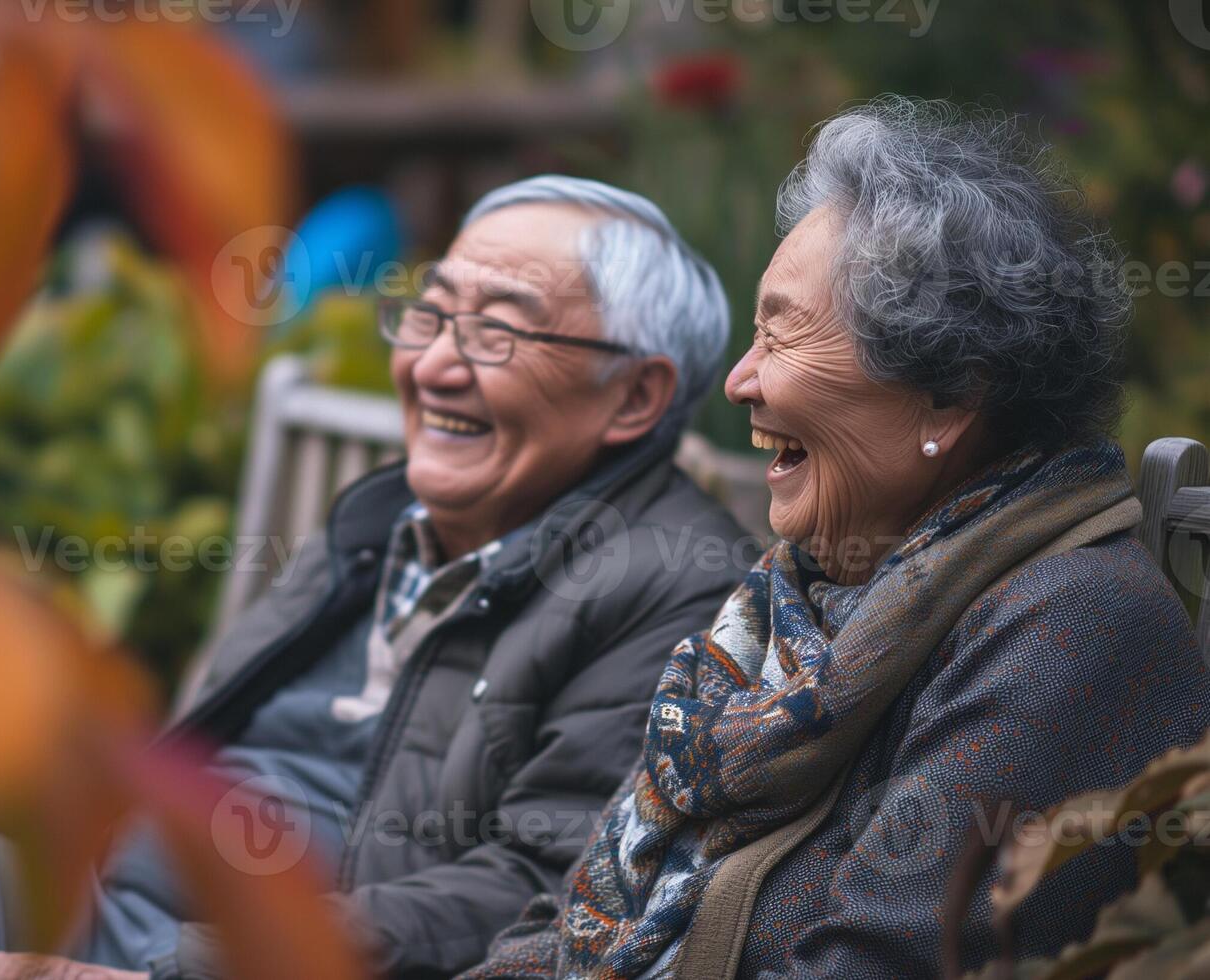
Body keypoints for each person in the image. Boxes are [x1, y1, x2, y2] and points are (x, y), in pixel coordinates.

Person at [0, 176, 750, 980]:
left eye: (499, 327)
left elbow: (537, 892)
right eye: (429, 312)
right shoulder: (381, 520)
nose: (432, 363)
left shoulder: (674, 587)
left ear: (633, 397)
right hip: (117, 904)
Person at [461, 96, 1210, 980]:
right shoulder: (800, 604)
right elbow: (576, 913)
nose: (740, 380)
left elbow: (874, 964)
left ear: (950, 394)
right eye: (753, 335)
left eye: (782, 334)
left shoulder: (1069, 630)